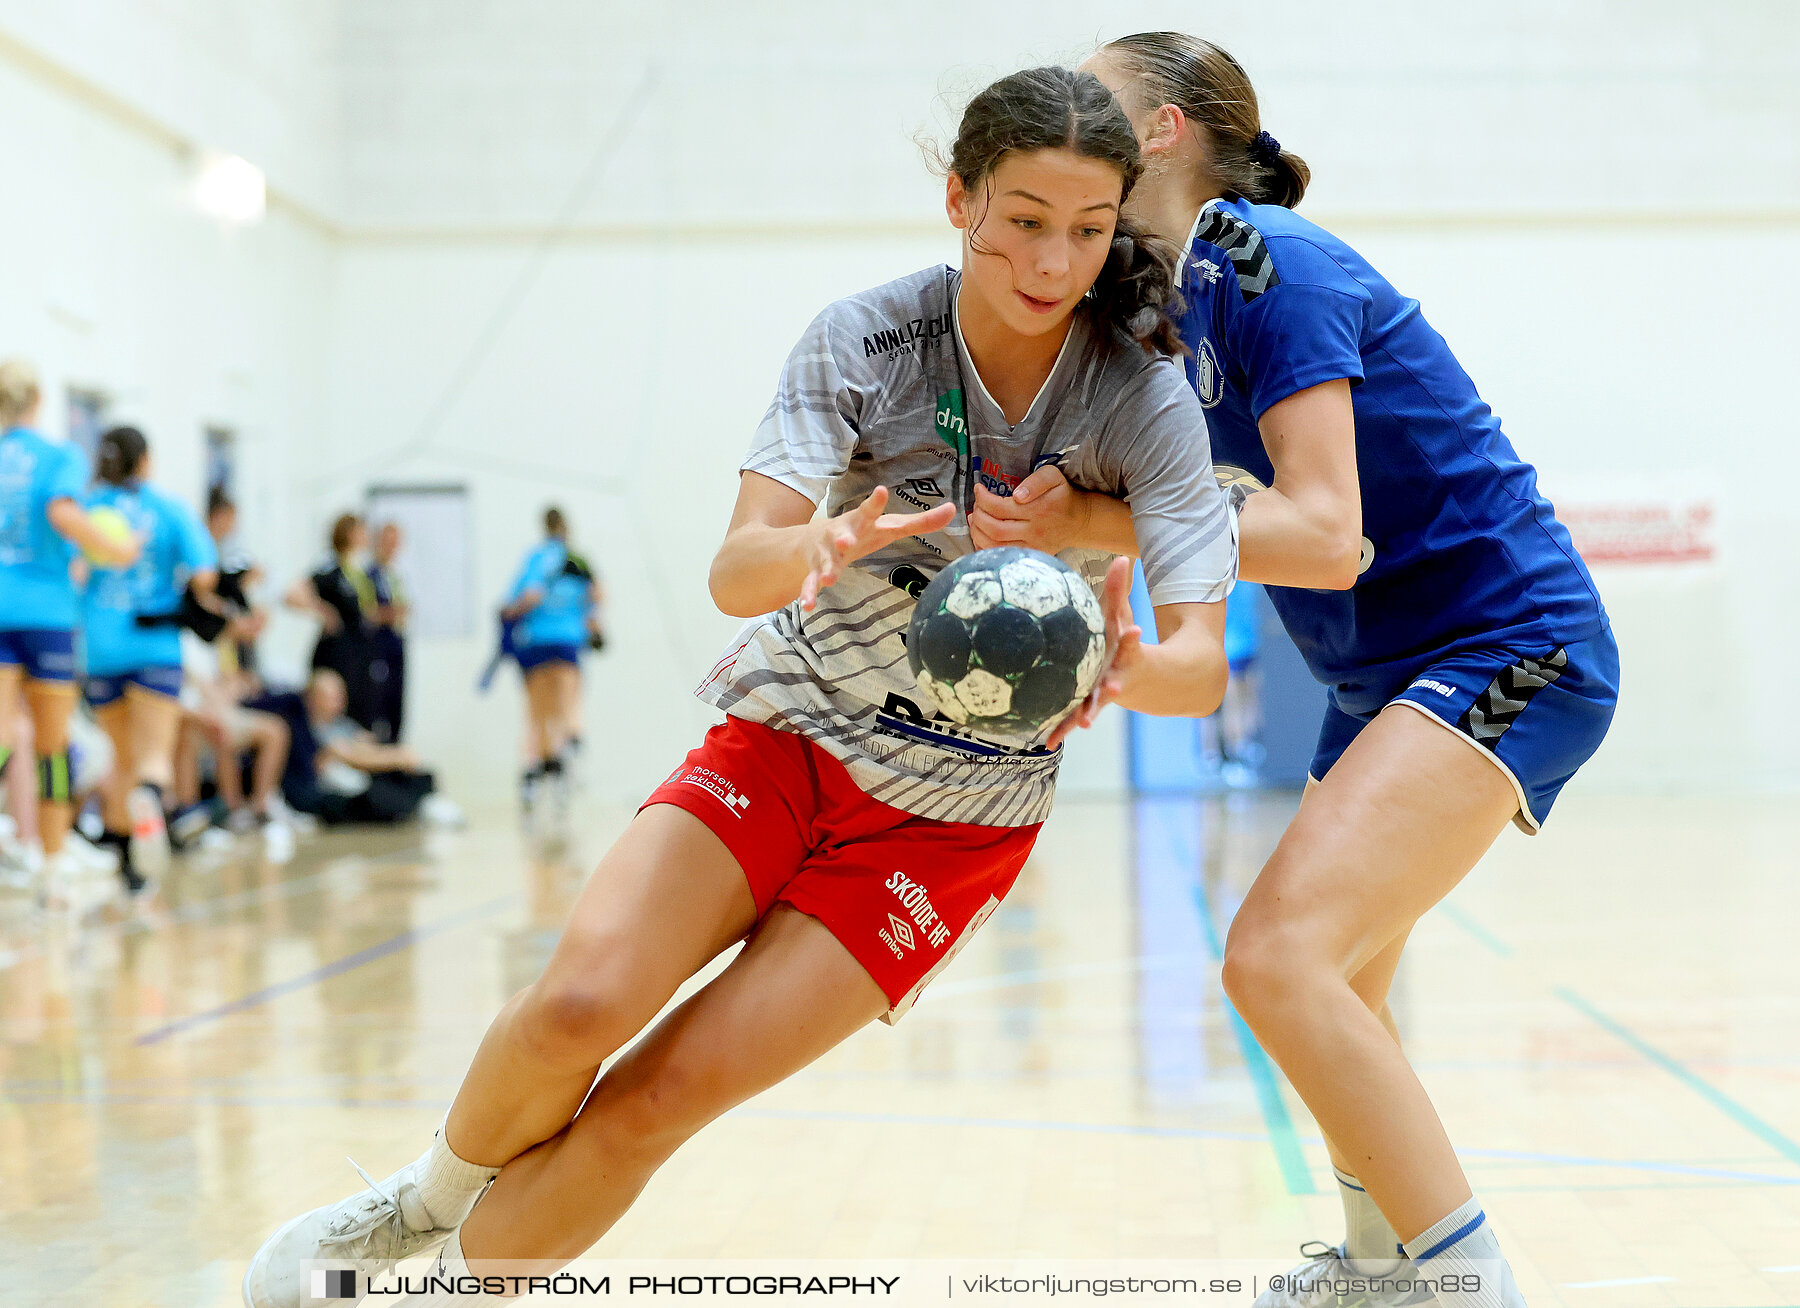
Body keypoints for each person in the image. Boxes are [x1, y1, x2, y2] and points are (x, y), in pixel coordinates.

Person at [242, 64, 1237, 1306]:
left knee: (656, 1099)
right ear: (959, 199)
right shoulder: (866, 339)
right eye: (1025, 220)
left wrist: (1136, 665)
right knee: (579, 1006)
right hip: (798, 732)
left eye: (1089, 232)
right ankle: (420, 1207)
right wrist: (819, 546)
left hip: (953, 822)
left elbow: (1203, 663)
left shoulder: (1141, 395)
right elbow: (734, 568)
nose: (1053, 261)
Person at [967, 33, 1619, 1308]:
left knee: (1275, 959)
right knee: (1344, 993)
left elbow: (1327, 536)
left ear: (1158, 129)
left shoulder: (1270, 258)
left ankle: (1467, 1283)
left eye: (1091, 88)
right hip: (1383, 676)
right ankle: (1379, 1268)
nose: (1060, 98)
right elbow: (1168, 512)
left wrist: (1095, 526)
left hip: (1510, 645)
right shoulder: (1163, 310)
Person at [0, 360, 139, 898]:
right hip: (46, 616)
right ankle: (52, 869)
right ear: (37, 398)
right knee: (52, 747)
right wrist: (117, 548)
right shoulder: (59, 457)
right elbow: (61, 513)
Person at [81, 425, 220, 889]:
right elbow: (204, 575)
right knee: (152, 755)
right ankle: (150, 795)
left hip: (101, 648)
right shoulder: (167, 509)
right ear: (145, 461)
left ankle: (128, 869)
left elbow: (73, 570)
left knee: (120, 757)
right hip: (154, 646)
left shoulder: (87, 509)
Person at [500, 506, 602, 813]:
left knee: (537, 714)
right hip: (567, 642)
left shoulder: (534, 558)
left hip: (535, 643)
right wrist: (590, 623)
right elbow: (596, 597)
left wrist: (511, 612)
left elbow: (526, 597)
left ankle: (542, 767)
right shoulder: (578, 559)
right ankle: (571, 740)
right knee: (568, 701)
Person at [279, 669, 441, 827]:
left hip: (359, 778)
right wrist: (394, 757)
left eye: (341, 695)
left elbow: (366, 745)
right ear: (312, 699)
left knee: (422, 777)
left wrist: (394, 754)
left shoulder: (344, 724)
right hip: (334, 792)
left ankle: (420, 805)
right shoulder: (308, 729)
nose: (340, 701)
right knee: (376, 796)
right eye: (332, 697)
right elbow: (350, 756)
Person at [286, 513, 384, 733]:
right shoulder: (331, 568)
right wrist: (322, 610)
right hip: (337, 656)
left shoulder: (363, 572)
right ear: (349, 534)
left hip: (362, 657)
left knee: (362, 717)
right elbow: (292, 594)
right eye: (361, 530)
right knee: (334, 715)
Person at [367, 520, 410, 743]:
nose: (392, 548)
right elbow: (367, 612)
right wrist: (389, 613)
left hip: (396, 645)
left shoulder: (393, 574)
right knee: (380, 706)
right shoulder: (369, 574)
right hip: (379, 648)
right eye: (387, 542)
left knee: (397, 707)